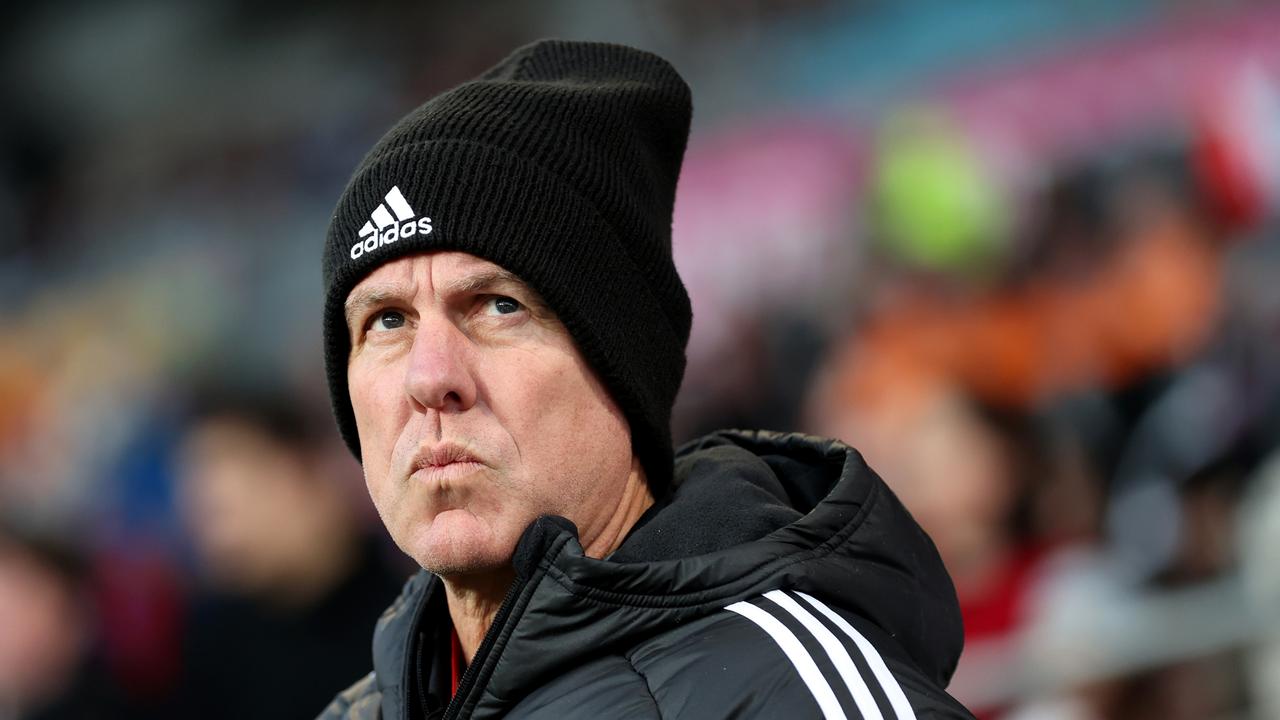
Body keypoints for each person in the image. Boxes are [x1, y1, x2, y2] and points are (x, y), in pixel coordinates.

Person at [317, 39, 973, 719]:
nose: (429, 378)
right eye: (387, 321)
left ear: (622, 364)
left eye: (497, 306)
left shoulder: (788, 689)